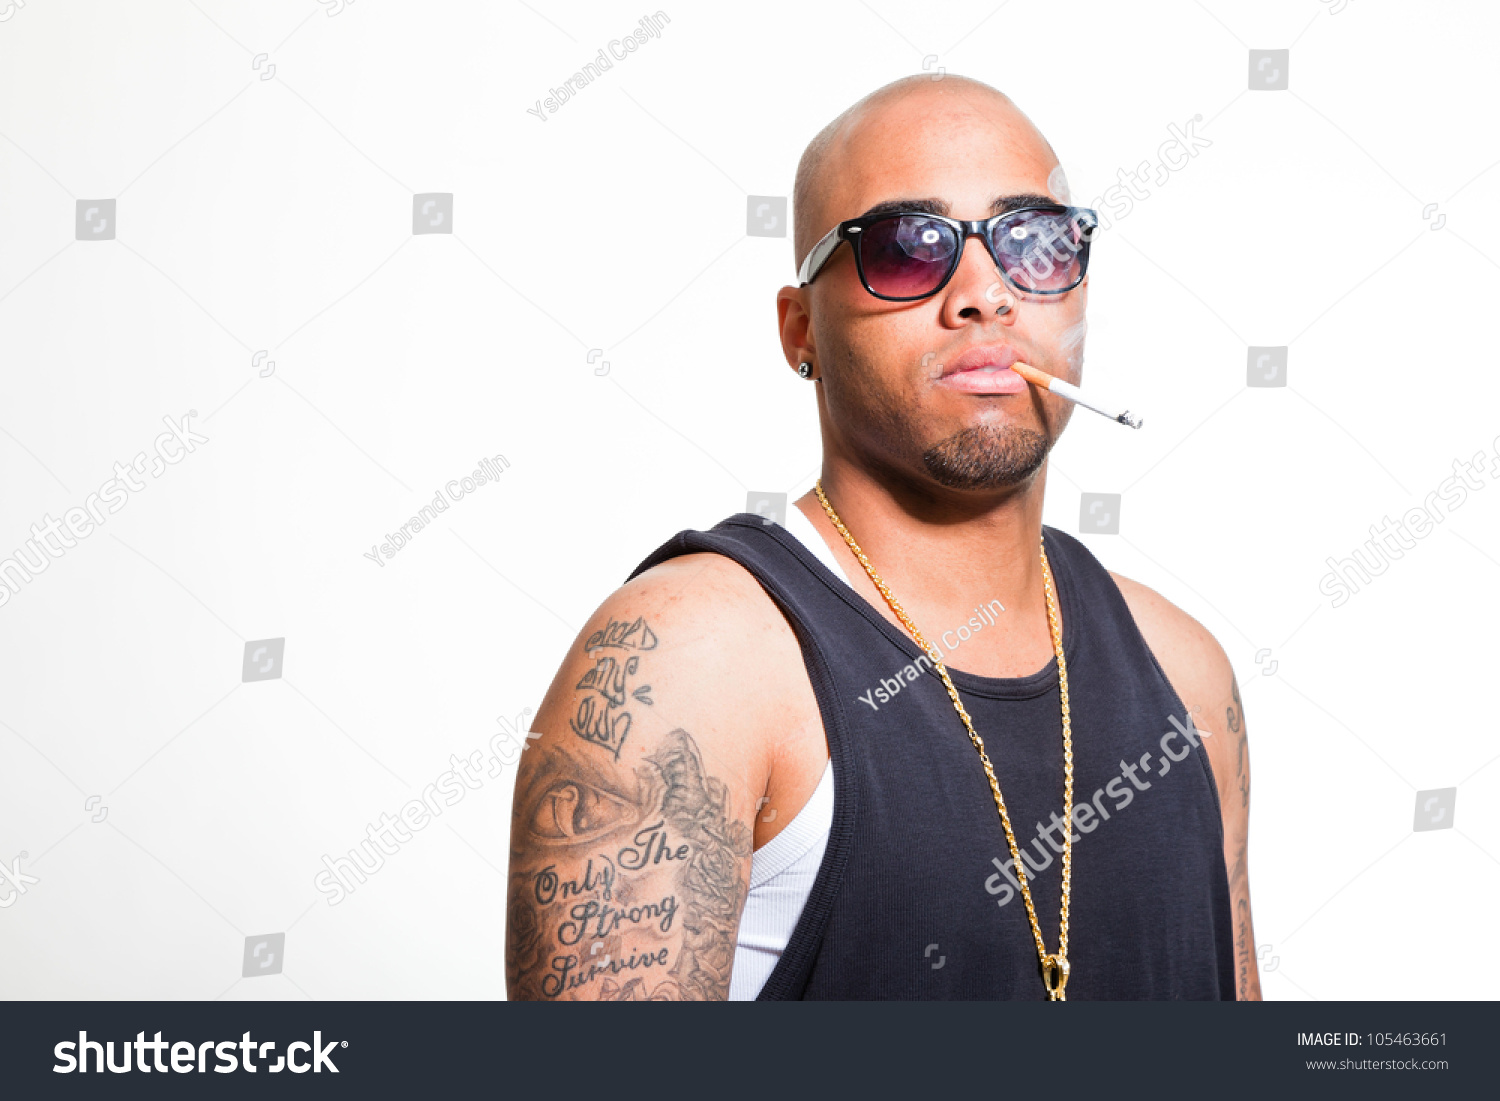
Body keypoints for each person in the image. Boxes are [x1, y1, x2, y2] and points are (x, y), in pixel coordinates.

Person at [504, 73, 1260, 1001]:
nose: (986, 296)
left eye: (1035, 242)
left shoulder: (1186, 673)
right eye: (909, 249)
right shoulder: (697, 663)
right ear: (800, 330)